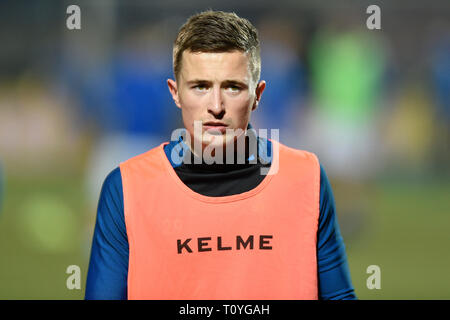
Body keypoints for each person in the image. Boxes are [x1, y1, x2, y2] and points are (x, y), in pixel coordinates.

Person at [85, 10, 356, 300]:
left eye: (232, 87)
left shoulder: (306, 178)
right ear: (175, 93)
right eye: (200, 86)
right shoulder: (126, 188)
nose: (216, 105)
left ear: (257, 94)